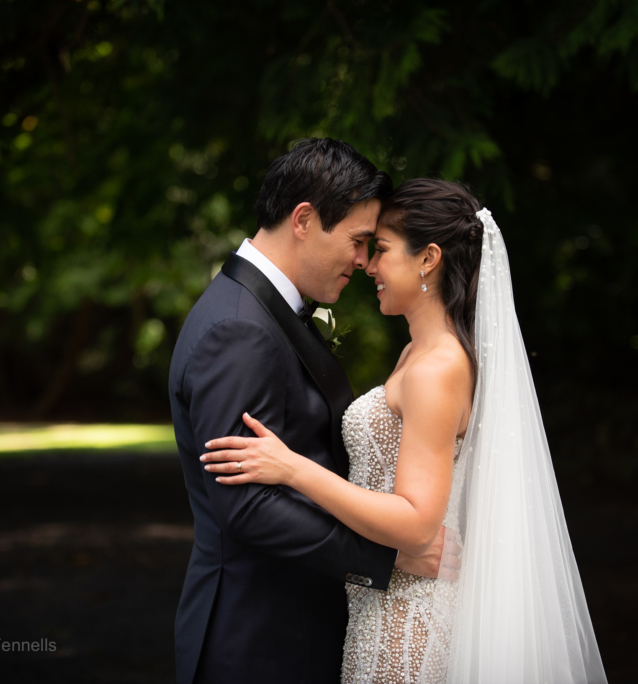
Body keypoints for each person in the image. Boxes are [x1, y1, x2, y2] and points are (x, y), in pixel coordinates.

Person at [203, 179, 608, 683]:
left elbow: (418, 524)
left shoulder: (436, 370)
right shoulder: (417, 354)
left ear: (429, 258)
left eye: (383, 250)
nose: (369, 265)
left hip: (405, 626)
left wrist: (293, 468)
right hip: (382, 607)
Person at [168, 140, 452, 684]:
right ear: (304, 219)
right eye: (358, 241)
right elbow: (246, 505)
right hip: (261, 641)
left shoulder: (259, 312)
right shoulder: (239, 329)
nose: (364, 261)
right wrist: (384, 561)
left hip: (288, 628)